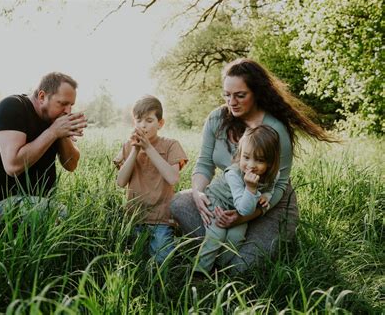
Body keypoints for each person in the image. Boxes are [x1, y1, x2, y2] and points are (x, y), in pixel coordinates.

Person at [170, 58, 336, 274]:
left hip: (268, 202)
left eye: (240, 95)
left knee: (241, 268)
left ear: (257, 93)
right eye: (227, 95)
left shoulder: (275, 129)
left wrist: (244, 217)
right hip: (227, 194)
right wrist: (199, 194)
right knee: (178, 203)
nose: (232, 102)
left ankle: (226, 250)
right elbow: (204, 164)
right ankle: (216, 247)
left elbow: (279, 185)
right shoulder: (216, 119)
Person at [0, 72, 88, 216]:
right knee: (63, 214)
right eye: (62, 104)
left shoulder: (53, 119)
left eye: (71, 105)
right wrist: (53, 132)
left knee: (77, 214)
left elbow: (71, 165)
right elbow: (13, 166)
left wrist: (62, 134)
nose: (68, 111)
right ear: (42, 96)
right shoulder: (12, 107)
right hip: (3, 203)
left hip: (39, 201)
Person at [195, 125, 280, 273]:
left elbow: (270, 187)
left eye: (259, 160)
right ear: (240, 155)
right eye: (246, 157)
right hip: (218, 200)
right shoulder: (233, 174)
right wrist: (251, 188)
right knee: (217, 234)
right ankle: (200, 272)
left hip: (238, 207)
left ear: (270, 163)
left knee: (236, 237)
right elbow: (244, 209)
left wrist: (267, 195)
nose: (251, 166)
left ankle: (218, 269)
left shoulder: (274, 174)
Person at [113, 95, 188, 264]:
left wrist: (148, 148)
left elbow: (173, 178)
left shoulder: (171, 145)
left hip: (162, 219)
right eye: (138, 120)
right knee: (134, 263)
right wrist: (135, 150)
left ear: (160, 123)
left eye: (149, 120)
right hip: (135, 217)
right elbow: (121, 182)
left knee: (160, 264)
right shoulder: (127, 146)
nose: (143, 125)